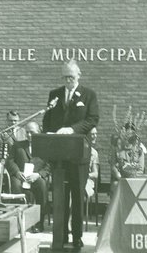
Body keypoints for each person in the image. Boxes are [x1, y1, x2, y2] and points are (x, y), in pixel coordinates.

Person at [42, 60, 99, 248]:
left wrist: (72, 129)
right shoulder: (54, 94)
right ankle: (60, 235)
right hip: (59, 155)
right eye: (65, 77)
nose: (68, 80)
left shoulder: (89, 95)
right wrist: (50, 134)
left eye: (71, 77)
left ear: (79, 75)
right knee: (60, 196)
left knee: (77, 195)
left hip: (78, 153)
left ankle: (77, 236)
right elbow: (47, 119)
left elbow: (92, 119)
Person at [6, 121, 51, 232]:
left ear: (39, 132)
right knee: (16, 186)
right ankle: (20, 222)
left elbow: (49, 165)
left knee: (42, 186)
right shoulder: (17, 146)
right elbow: (10, 161)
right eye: (27, 132)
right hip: (20, 176)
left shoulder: (45, 146)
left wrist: (39, 174)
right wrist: (17, 172)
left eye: (32, 132)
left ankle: (39, 223)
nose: (29, 135)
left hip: (36, 177)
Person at [110, 122, 146, 196]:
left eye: (131, 133)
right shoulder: (117, 149)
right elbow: (113, 166)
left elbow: (141, 169)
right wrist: (120, 178)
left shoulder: (139, 150)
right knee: (116, 185)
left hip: (135, 179)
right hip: (120, 179)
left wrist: (132, 178)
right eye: (127, 133)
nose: (129, 136)